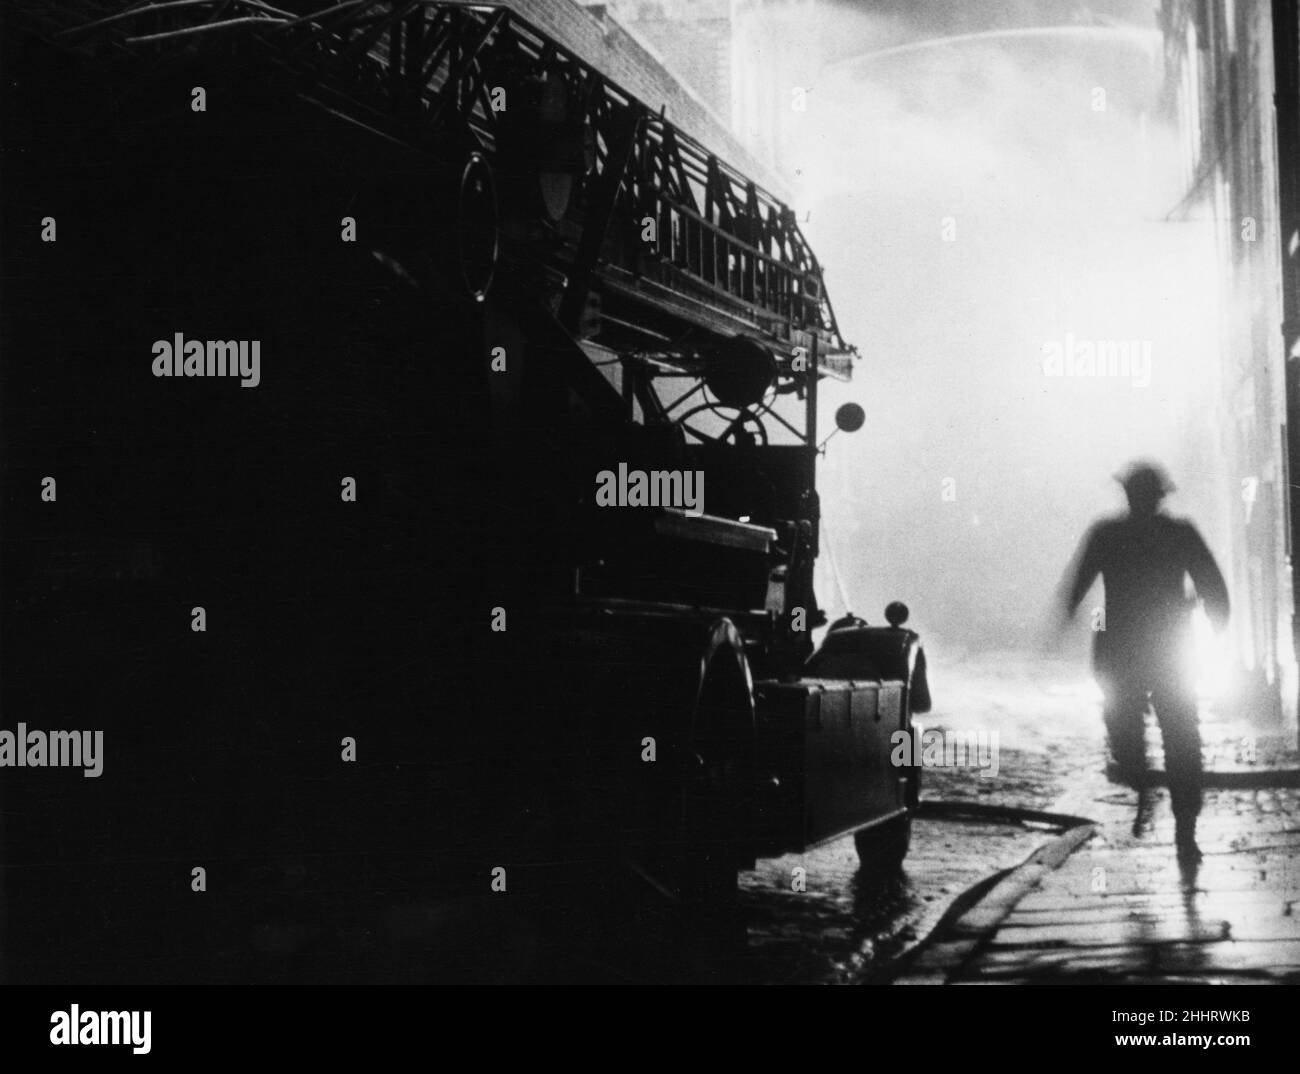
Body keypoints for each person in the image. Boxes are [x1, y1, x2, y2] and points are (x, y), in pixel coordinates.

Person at [1061, 461, 1229, 862]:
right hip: (1156, 646)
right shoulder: (1162, 534)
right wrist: (1215, 617)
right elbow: (1211, 583)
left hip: (1133, 647)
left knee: (1173, 735)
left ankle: (1182, 827)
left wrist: (1217, 618)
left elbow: (1210, 580)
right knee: (1163, 733)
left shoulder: (1118, 534)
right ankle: (1153, 793)